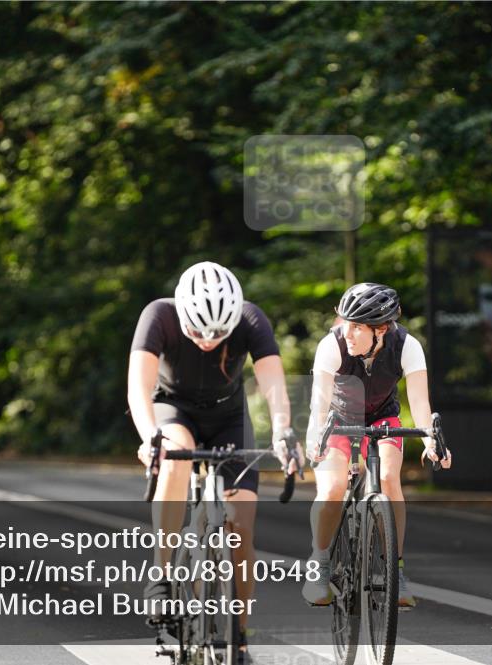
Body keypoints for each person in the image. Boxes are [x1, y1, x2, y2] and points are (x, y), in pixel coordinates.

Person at [129, 261, 299, 663]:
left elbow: (274, 385)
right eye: (197, 332)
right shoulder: (159, 315)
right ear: (182, 316)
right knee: (176, 455)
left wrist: (282, 431)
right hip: (174, 409)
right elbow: (138, 387)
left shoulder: (251, 318)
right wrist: (150, 436)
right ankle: (162, 576)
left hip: (228, 416)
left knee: (241, 525)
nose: (207, 341)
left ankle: (239, 634)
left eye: (218, 333)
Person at [302, 283, 452, 608]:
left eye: (357, 326)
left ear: (381, 329)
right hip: (339, 419)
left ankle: (395, 571)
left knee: (387, 479)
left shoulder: (407, 346)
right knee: (332, 488)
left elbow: (420, 403)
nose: (348, 332)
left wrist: (430, 440)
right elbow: (320, 403)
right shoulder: (332, 345)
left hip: (384, 418)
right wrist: (315, 438)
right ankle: (320, 563)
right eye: (346, 323)